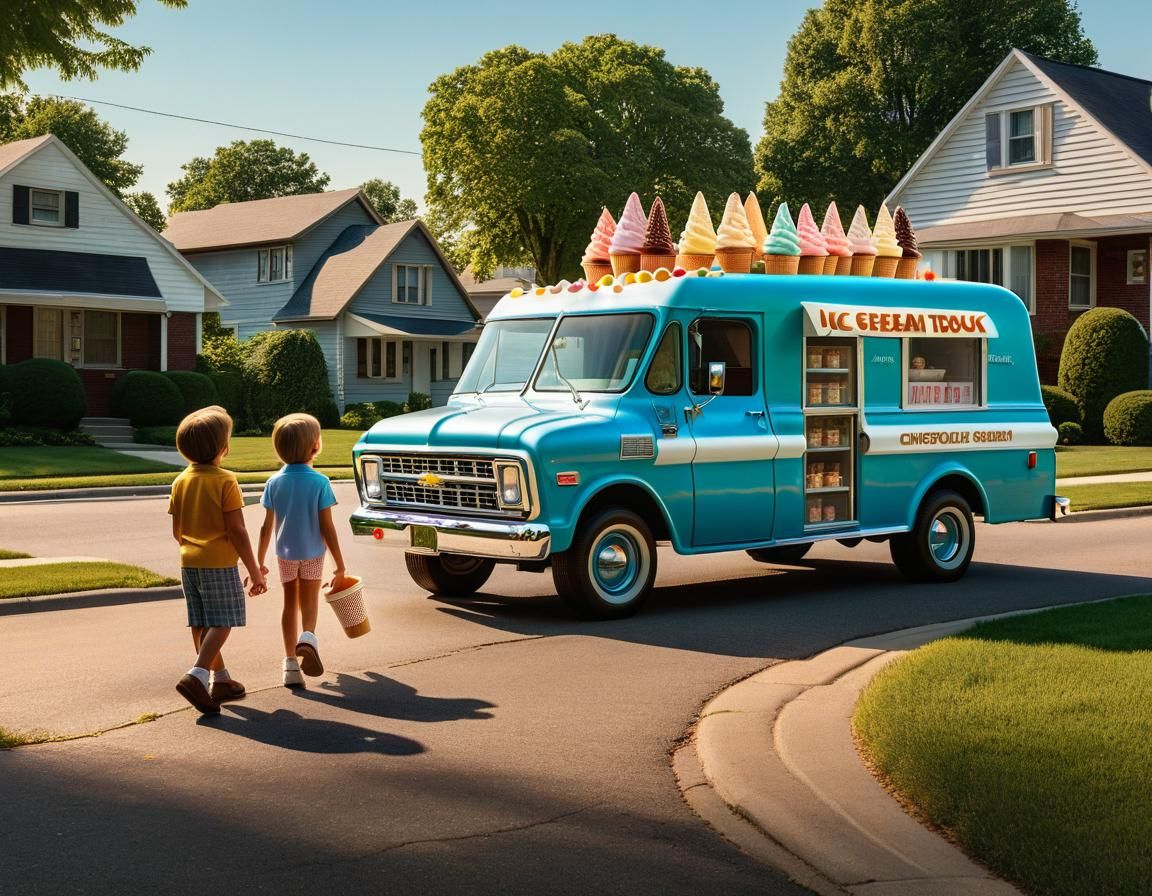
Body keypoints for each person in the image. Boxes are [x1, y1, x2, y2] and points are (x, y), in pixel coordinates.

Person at [169, 406, 267, 715]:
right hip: (219, 564)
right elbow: (237, 530)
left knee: (201, 623)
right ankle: (197, 675)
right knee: (224, 620)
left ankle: (220, 680)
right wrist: (255, 570)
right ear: (223, 447)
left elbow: (177, 531)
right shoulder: (226, 481)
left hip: (189, 562)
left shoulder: (180, 481)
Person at [257, 413, 346, 689]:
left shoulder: (274, 482)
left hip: (285, 554)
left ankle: (290, 665)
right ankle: (308, 637)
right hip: (313, 553)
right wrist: (340, 565)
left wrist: (258, 562)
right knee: (309, 600)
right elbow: (327, 527)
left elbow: (266, 526)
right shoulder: (320, 482)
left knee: (289, 604)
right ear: (315, 446)